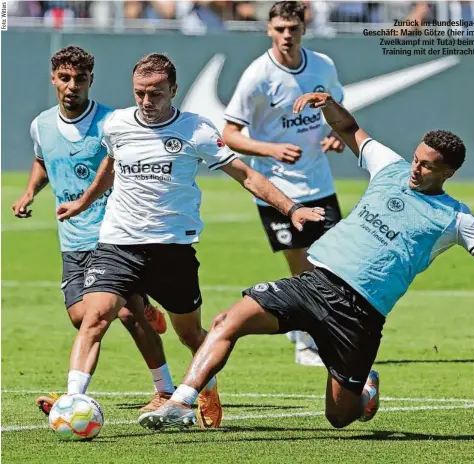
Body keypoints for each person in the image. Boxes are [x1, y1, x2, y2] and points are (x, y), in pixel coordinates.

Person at [138, 91, 474, 431]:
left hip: (360, 315)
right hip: (315, 283)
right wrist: (330, 106)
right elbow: (350, 129)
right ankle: (180, 402)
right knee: (227, 320)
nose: (416, 168)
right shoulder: (390, 167)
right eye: (416, 158)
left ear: (448, 173)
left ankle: (365, 386)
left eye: (428, 166)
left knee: (339, 417)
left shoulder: (455, 218)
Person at [54, 53, 325, 429]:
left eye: (156, 94)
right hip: (117, 244)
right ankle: (72, 399)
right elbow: (112, 165)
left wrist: (291, 207)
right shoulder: (116, 124)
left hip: (172, 252)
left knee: (189, 334)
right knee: (96, 317)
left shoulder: (196, 130)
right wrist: (84, 202)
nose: (147, 103)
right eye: (140, 93)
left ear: (173, 90)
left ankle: (206, 386)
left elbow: (245, 175)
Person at [12, 46, 172, 416]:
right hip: (72, 239)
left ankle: (161, 390)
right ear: (53, 79)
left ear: (90, 81)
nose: (72, 86)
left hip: (114, 234)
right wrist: (29, 192)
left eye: (80, 79)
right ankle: (145, 307)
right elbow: (42, 161)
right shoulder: (42, 125)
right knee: (81, 316)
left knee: (122, 314)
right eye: (65, 78)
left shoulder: (112, 122)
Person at [222, 1, 345, 366]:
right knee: (303, 266)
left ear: (304, 28)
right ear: (269, 30)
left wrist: (337, 134)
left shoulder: (322, 65)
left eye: (292, 28)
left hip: (319, 181)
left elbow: (335, 106)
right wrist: (270, 148)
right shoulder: (258, 75)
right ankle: (306, 344)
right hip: (277, 189)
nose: (286, 35)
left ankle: (301, 326)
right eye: (279, 29)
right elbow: (229, 134)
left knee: (332, 263)